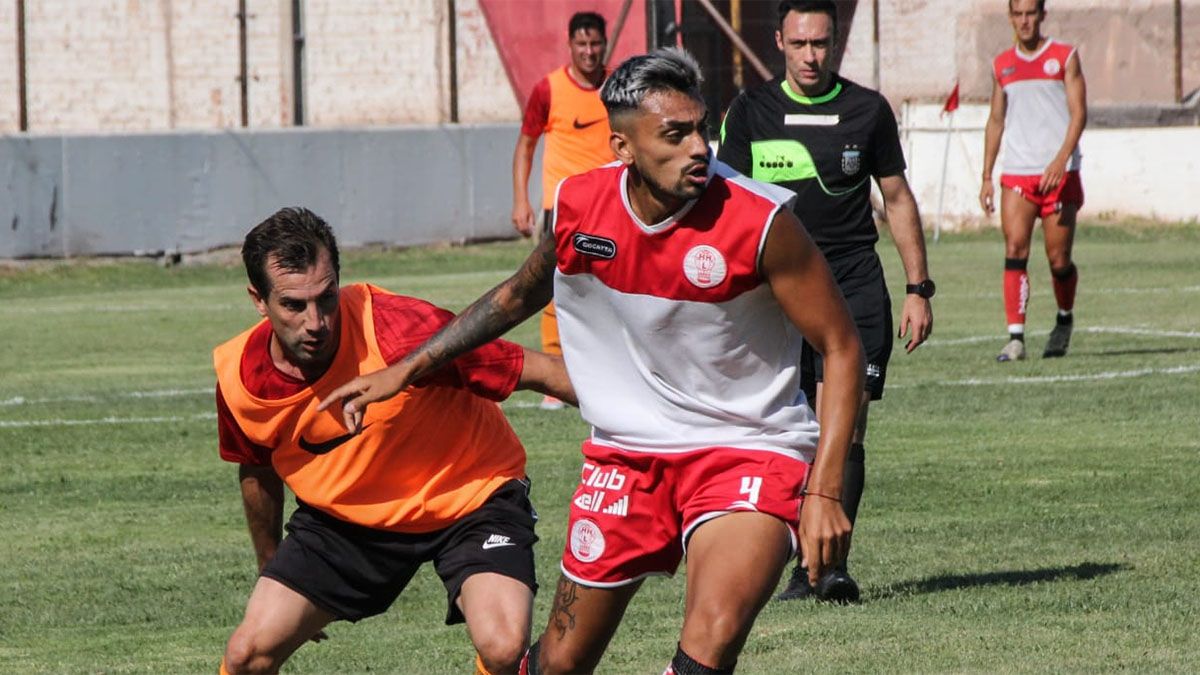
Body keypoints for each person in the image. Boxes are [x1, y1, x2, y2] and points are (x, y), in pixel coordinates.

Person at [322, 48, 865, 675]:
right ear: (622, 147)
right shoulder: (579, 206)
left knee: (710, 640)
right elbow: (517, 296)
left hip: (747, 449)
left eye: (700, 127)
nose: (699, 148)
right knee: (556, 664)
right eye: (674, 133)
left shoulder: (762, 222)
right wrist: (404, 369)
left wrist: (823, 489)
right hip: (627, 455)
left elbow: (841, 345)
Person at [215, 207, 574, 675]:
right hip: (346, 520)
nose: (316, 321)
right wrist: (269, 559)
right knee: (247, 655)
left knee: (504, 647)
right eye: (293, 305)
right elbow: (257, 467)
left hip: (469, 494)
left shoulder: (399, 329)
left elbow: (542, 371)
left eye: (326, 298)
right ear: (258, 300)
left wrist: (658, 417)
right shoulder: (241, 379)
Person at [716, 0, 934, 603]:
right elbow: (725, 202)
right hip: (777, 293)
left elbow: (897, 197)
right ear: (780, 40)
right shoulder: (751, 111)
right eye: (800, 44)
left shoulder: (867, 111)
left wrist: (918, 288)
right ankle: (779, 560)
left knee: (847, 429)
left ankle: (826, 568)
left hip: (854, 285)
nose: (812, 56)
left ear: (835, 43)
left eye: (822, 45)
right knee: (791, 433)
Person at [511, 11, 615, 409]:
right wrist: (521, 199)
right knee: (556, 289)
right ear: (570, 45)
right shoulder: (548, 89)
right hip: (565, 209)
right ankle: (557, 371)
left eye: (595, 44)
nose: (589, 52)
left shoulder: (617, 85)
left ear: (604, 44)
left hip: (611, 203)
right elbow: (525, 145)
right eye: (582, 44)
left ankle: (609, 366)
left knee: (613, 287)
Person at [980, 0, 1087, 362]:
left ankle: (1063, 319)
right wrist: (986, 177)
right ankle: (1016, 339)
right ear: (1011, 17)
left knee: (1058, 259)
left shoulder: (1064, 57)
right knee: (1015, 250)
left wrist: (1060, 160)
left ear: (1042, 15)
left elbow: (1079, 115)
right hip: (1018, 174)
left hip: (1060, 173)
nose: (1024, 21)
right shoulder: (1002, 65)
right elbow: (996, 121)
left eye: (1031, 13)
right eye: (1018, 14)